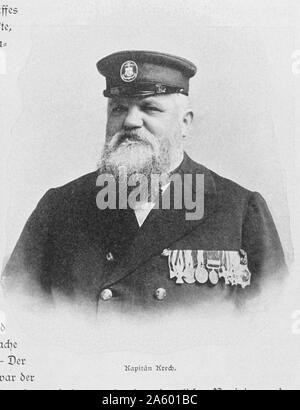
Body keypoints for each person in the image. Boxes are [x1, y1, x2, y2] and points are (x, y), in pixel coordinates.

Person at [2, 50, 287, 312]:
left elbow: (267, 332)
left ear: (185, 123)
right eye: (118, 109)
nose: (130, 122)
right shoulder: (61, 207)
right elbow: (17, 315)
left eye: (149, 108)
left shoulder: (238, 210)